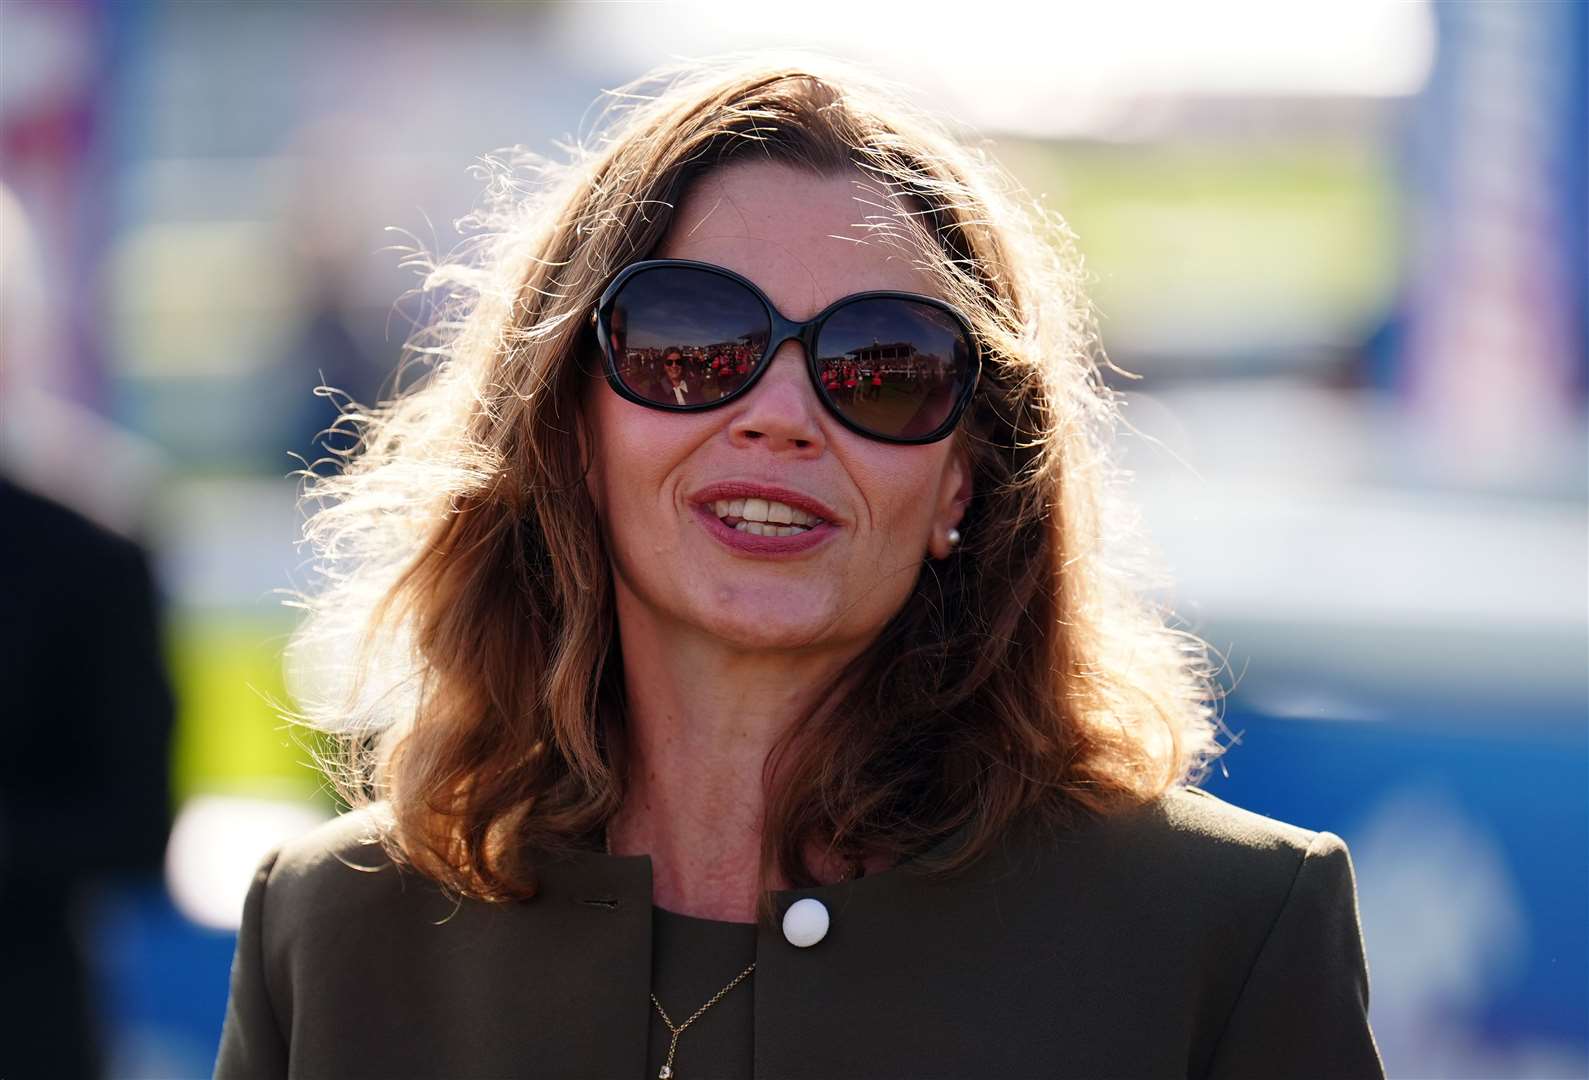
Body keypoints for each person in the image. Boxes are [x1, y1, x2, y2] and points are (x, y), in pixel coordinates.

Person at [215, 55, 1382, 1080]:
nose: (780, 416)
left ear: (962, 485)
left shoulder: (1222, 935)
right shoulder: (328, 933)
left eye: (884, 366)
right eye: (690, 341)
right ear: (570, 427)